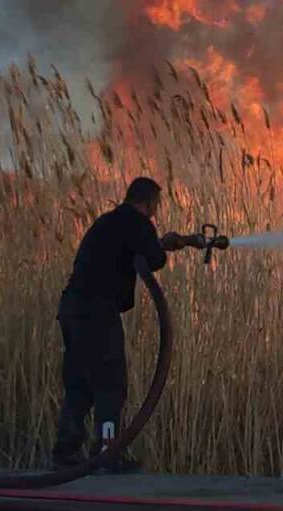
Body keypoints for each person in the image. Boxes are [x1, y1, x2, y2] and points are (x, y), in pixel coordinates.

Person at [50, 177, 191, 473]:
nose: (156, 212)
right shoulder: (137, 223)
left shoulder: (107, 222)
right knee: (111, 385)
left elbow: (130, 253)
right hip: (98, 313)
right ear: (149, 202)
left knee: (79, 384)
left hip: (72, 308)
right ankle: (106, 453)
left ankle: (66, 453)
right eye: (156, 206)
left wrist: (157, 244)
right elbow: (154, 259)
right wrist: (160, 246)